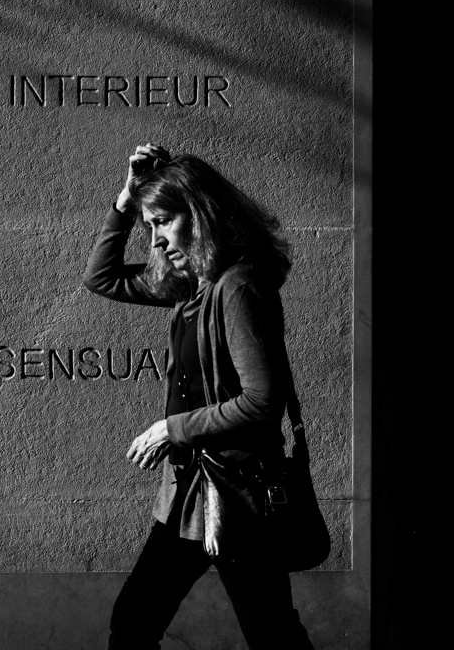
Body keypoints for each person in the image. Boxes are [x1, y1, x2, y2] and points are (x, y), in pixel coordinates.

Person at [83, 144, 315, 650]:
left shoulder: (237, 287)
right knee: (134, 620)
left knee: (272, 635)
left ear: (201, 214)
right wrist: (127, 199)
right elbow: (100, 277)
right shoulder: (192, 288)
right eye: (150, 227)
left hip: (237, 493)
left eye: (164, 221)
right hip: (189, 492)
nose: (158, 239)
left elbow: (261, 401)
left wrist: (172, 428)